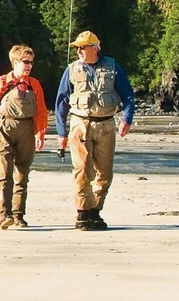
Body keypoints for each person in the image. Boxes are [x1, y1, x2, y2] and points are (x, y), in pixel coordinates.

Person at [52, 31, 135, 231]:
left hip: (106, 125)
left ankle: (94, 211)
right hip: (80, 124)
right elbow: (61, 101)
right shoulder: (71, 69)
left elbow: (128, 95)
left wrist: (126, 119)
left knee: (104, 173)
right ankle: (82, 212)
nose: (79, 51)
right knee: (82, 170)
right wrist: (61, 133)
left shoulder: (113, 67)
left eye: (83, 47)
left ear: (95, 48)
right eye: (77, 48)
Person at [0, 45, 48, 230]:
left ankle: (19, 215)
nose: (29, 66)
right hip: (3, 128)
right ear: (15, 62)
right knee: (4, 173)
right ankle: (4, 214)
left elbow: (41, 110)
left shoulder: (34, 85)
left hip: (27, 128)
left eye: (31, 62)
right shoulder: (0, 82)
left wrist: (40, 133)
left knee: (22, 175)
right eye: (26, 62)